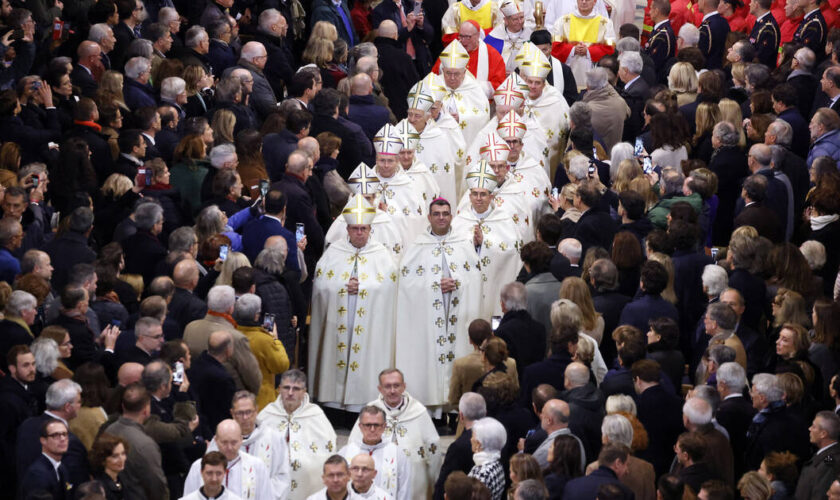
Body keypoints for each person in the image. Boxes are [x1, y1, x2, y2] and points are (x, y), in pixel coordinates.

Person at [309, 194, 398, 409]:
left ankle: (360, 404)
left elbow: (389, 285)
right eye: (355, 228)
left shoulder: (382, 254)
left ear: (370, 230)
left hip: (368, 323)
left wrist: (364, 287)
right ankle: (333, 404)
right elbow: (320, 283)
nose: (359, 233)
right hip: (338, 321)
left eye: (363, 229)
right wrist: (342, 286)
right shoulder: (334, 253)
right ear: (347, 230)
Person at [394, 198, 481, 407]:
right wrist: (434, 285)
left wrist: (457, 283)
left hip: (457, 315)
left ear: (451, 216)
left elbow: (476, 278)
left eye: (445, 214)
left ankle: (455, 409)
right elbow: (406, 283)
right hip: (428, 318)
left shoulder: (463, 244)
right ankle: (433, 409)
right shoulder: (417, 246)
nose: (441, 218)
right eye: (436, 214)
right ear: (429, 217)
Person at [347, 369, 441, 500]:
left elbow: (433, 447)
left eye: (396, 385)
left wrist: (435, 481)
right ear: (380, 389)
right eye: (387, 386)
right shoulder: (371, 412)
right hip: (377, 478)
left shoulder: (418, 411)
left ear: (404, 387)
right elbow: (353, 447)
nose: (392, 390)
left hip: (413, 481)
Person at [453, 157, 522, 317]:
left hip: (494, 285)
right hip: (467, 287)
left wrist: (485, 243)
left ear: (491, 197)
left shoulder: (504, 220)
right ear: (469, 196)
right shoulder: (460, 221)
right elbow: (452, 252)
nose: (478, 198)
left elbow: (513, 251)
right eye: (475, 194)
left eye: (483, 194)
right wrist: (472, 243)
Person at [257, 370, 337, 500]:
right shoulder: (267, 413)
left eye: (296, 389)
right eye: (286, 388)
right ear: (279, 389)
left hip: (307, 483)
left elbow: (328, 450)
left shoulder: (316, 414)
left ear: (304, 391)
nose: (290, 393)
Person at [183, 285, 262, 395]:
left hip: (197, 391)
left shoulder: (190, 328)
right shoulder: (236, 337)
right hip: (229, 396)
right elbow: (251, 375)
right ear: (231, 308)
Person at [16, 379, 89, 490]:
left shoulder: (27, 425)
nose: (80, 405)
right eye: (79, 402)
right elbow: (76, 485)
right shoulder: (70, 442)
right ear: (68, 407)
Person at [103, 383, 169, 500]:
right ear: (146, 411)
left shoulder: (108, 431)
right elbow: (156, 484)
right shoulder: (146, 444)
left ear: (123, 406)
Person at [184, 420, 271, 500]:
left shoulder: (257, 466)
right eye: (224, 442)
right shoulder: (198, 466)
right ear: (216, 440)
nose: (229, 448)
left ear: (241, 440)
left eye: (234, 442)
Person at [517, 43, 570, 170]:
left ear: (544, 83)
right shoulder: (515, 96)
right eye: (529, 81)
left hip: (548, 156)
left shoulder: (554, 99)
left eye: (537, 83)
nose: (532, 86)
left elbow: (562, 129)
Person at [339, 405, 410, 500]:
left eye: (376, 425)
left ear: (384, 426)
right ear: (360, 426)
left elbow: (405, 489)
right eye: (368, 425)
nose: (372, 429)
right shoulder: (345, 452)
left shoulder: (397, 454)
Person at [744, 373, 810, 471]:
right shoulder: (785, 416)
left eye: (752, 392)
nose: (751, 395)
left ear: (762, 398)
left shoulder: (773, 427)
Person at [632, 359, 683, 477]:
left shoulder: (637, 406)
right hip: (672, 462)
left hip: (646, 465)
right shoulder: (678, 402)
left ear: (638, 380)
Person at [437, 39, 492, 146]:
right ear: (442, 71)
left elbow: (483, 116)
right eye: (448, 73)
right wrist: (440, 118)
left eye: (456, 74)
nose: (452, 78)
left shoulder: (474, 88)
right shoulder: (434, 86)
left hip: (465, 142)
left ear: (464, 72)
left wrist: (462, 118)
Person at [550, 0, 617, 87]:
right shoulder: (562, 22)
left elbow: (610, 49)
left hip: (595, 75)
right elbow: (555, 47)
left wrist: (588, 51)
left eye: (588, 0)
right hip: (568, 74)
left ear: (594, 1)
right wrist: (573, 50)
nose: (584, 2)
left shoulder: (606, 23)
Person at [434, 392, 486, 500]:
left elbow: (444, 484)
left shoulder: (458, 447)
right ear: (485, 413)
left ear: (461, 416)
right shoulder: (494, 435)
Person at [495, 282, 546, 380]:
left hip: (512, 386)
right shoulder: (540, 328)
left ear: (503, 304)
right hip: (535, 383)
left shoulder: (502, 332)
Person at [190, 330, 237, 431]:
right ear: (228, 351)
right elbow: (229, 410)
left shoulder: (196, 363)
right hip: (215, 428)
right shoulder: (223, 379)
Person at [19, 418, 73, 500]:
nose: (62, 439)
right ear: (43, 440)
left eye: (64, 434)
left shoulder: (62, 468)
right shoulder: (37, 474)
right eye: (55, 435)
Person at [794, 411, 840, 500]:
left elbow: (821, 494)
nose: (809, 429)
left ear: (823, 434)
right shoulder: (826, 455)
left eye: (814, 426)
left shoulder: (829, 461)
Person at [562, 444, 635, 500]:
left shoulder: (571, 486)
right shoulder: (624, 493)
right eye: (627, 465)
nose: (627, 471)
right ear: (618, 463)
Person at [532, 398, 585, 469]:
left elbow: (528, 473)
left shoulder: (546, 450)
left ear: (549, 420)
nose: (540, 415)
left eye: (543, 412)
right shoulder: (578, 441)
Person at [468, 417, 507, 500]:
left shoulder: (481, 473)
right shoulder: (496, 463)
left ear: (478, 444)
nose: (470, 439)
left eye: (472, 436)